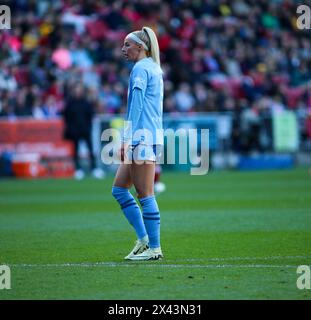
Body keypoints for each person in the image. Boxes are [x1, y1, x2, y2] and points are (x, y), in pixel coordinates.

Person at [112, 26, 164, 260]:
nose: (123, 49)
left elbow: (136, 106)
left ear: (140, 47)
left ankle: (154, 249)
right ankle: (144, 240)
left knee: (145, 194)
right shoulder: (153, 67)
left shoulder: (141, 69)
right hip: (148, 136)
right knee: (119, 190)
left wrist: (126, 138)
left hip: (142, 138)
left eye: (127, 45)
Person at [63, 83, 105, 180]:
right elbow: (66, 117)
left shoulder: (86, 103)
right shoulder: (70, 104)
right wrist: (71, 129)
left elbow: (91, 115)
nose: (78, 92)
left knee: (90, 149)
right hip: (75, 132)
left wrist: (88, 127)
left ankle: (94, 168)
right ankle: (78, 169)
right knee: (76, 151)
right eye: (76, 90)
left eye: (79, 90)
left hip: (85, 130)